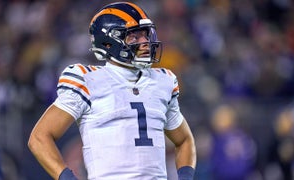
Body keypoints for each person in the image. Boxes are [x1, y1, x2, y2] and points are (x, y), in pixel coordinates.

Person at [28, 2, 196, 180]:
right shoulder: (88, 79)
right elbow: (39, 138)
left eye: (145, 35)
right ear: (108, 43)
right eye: (134, 37)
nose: (145, 42)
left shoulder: (163, 81)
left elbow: (185, 140)